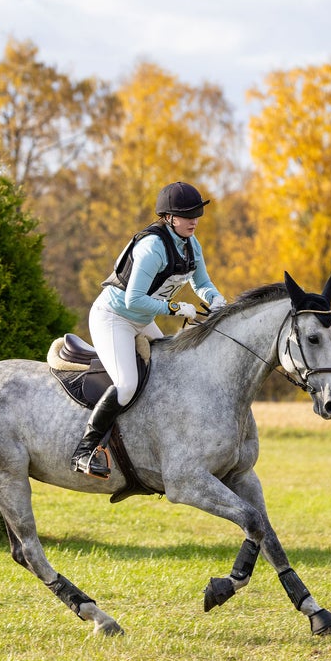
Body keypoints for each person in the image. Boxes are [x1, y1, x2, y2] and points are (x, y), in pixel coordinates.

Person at [71, 181, 227, 478]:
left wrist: (216, 299)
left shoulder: (191, 245)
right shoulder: (153, 247)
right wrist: (174, 308)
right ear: (168, 218)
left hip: (141, 318)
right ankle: (85, 450)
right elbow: (133, 299)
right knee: (127, 384)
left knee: (172, 371)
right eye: (187, 215)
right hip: (114, 316)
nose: (194, 220)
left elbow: (202, 284)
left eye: (197, 214)